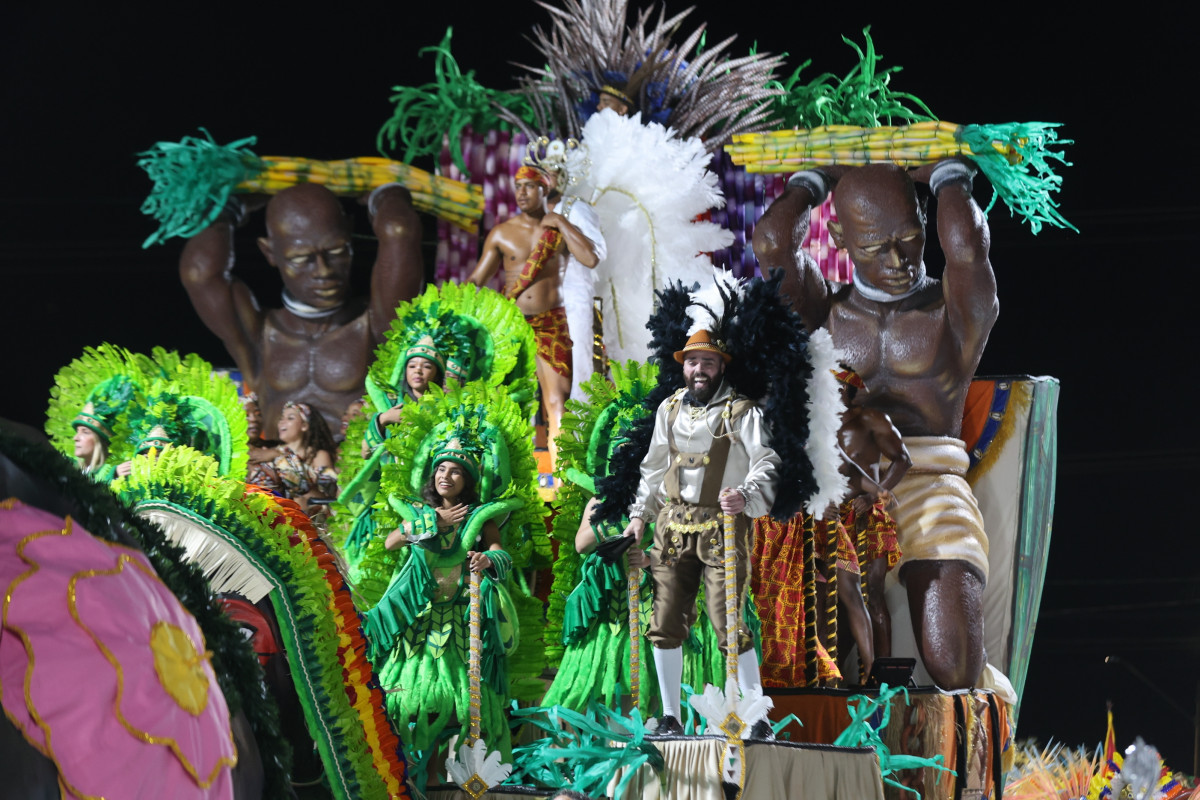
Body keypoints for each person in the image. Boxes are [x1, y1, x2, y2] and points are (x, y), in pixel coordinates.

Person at [753, 158, 997, 690]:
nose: (898, 258)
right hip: (842, 492)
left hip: (930, 485)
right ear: (838, 235)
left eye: (910, 237)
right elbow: (773, 244)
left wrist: (951, 176)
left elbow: (968, 250)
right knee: (819, 657)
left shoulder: (954, 311)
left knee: (953, 662)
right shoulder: (825, 310)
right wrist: (808, 184)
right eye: (873, 246)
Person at [621, 331, 780, 736]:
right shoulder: (669, 409)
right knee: (665, 618)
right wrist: (640, 516)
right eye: (692, 362)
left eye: (708, 362)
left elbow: (768, 461)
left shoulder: (741, 412)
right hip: (671, 529)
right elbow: (654, 469)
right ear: (683, 365)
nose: (699, 370)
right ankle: (670, 716)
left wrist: (745, 496)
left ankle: (757, 717)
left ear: (722, 366)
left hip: (722, 528)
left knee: (728, 620)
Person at [179, 182, 424, 436]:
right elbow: (200, 273)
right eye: (301, 259)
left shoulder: (376, 324)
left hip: (357, 471)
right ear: (269, 252)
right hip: (275, 472)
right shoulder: (257, 336)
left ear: (349, 234)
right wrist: (228, 207)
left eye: (337, 251)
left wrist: (386, 192)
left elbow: (398, 230)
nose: (323, 270)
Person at [467, 165, 604, 467]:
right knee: (511, 402)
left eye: (529, 186)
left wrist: (561, 222)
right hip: (513, 325)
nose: (522, 193)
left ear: (545, 189)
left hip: (551, 322)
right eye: (518, 186)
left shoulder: (555, 230)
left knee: (558, 400)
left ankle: (562, 480)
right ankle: (509, 476)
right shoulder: (502, 233)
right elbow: (476, 281)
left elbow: (591, 258)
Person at [831, 366, 909, 665]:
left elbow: (903, 460)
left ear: (850, 390)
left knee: (872, 592)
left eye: (837, 386)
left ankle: (883, 673)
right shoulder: (817, 425)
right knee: (834, 598)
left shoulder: (871, 419)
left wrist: (874, 495)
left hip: (868, 515)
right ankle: (834, 671)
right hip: (833, 520)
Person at [247, 401, 338, 514]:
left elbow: (326, 495)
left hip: (314, 519)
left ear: (304, 425)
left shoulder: (318, 455)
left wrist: (280, 456)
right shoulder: (269, 451)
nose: (282, 422)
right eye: (281, 418)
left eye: (290, 418)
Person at [71, 403, 116, 483]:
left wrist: (113, 476)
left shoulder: (113, 473)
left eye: (85, 432)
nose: (75, 438)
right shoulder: (68, 467)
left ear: (99, 441)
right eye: (77, 431)